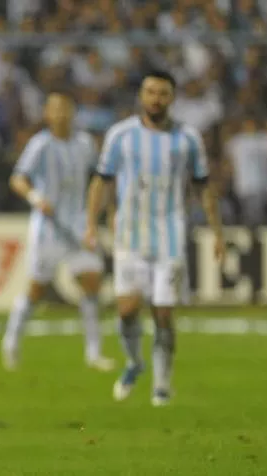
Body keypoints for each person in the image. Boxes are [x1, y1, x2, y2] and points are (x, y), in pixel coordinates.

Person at [85, 71, 224, 407]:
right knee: (127, 309)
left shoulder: (188, 138)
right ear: (141, 96)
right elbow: (102, 181)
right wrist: (91, 223)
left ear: (172, 98)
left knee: (163, 312)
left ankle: (162, 383)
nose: (155, 99)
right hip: (129, 234)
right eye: (150, 92)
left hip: (170, 235)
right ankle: (134, 363)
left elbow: (204, 186)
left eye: (162, 93)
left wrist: (216, 230)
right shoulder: (120, 135)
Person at [1, 91, 114, 372]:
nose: (62, 114)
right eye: (56, 109)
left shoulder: (85, 143)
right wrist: (36, 198)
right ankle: (11, 340)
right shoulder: (40, 144)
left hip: (76, 223)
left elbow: (99, 178)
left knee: (91, 281)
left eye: (66, 108)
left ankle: (94, 352)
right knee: (37, 289)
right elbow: (18, 178)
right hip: (47, 228)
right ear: (47, 114)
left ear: (73, 112)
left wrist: (99, 212)